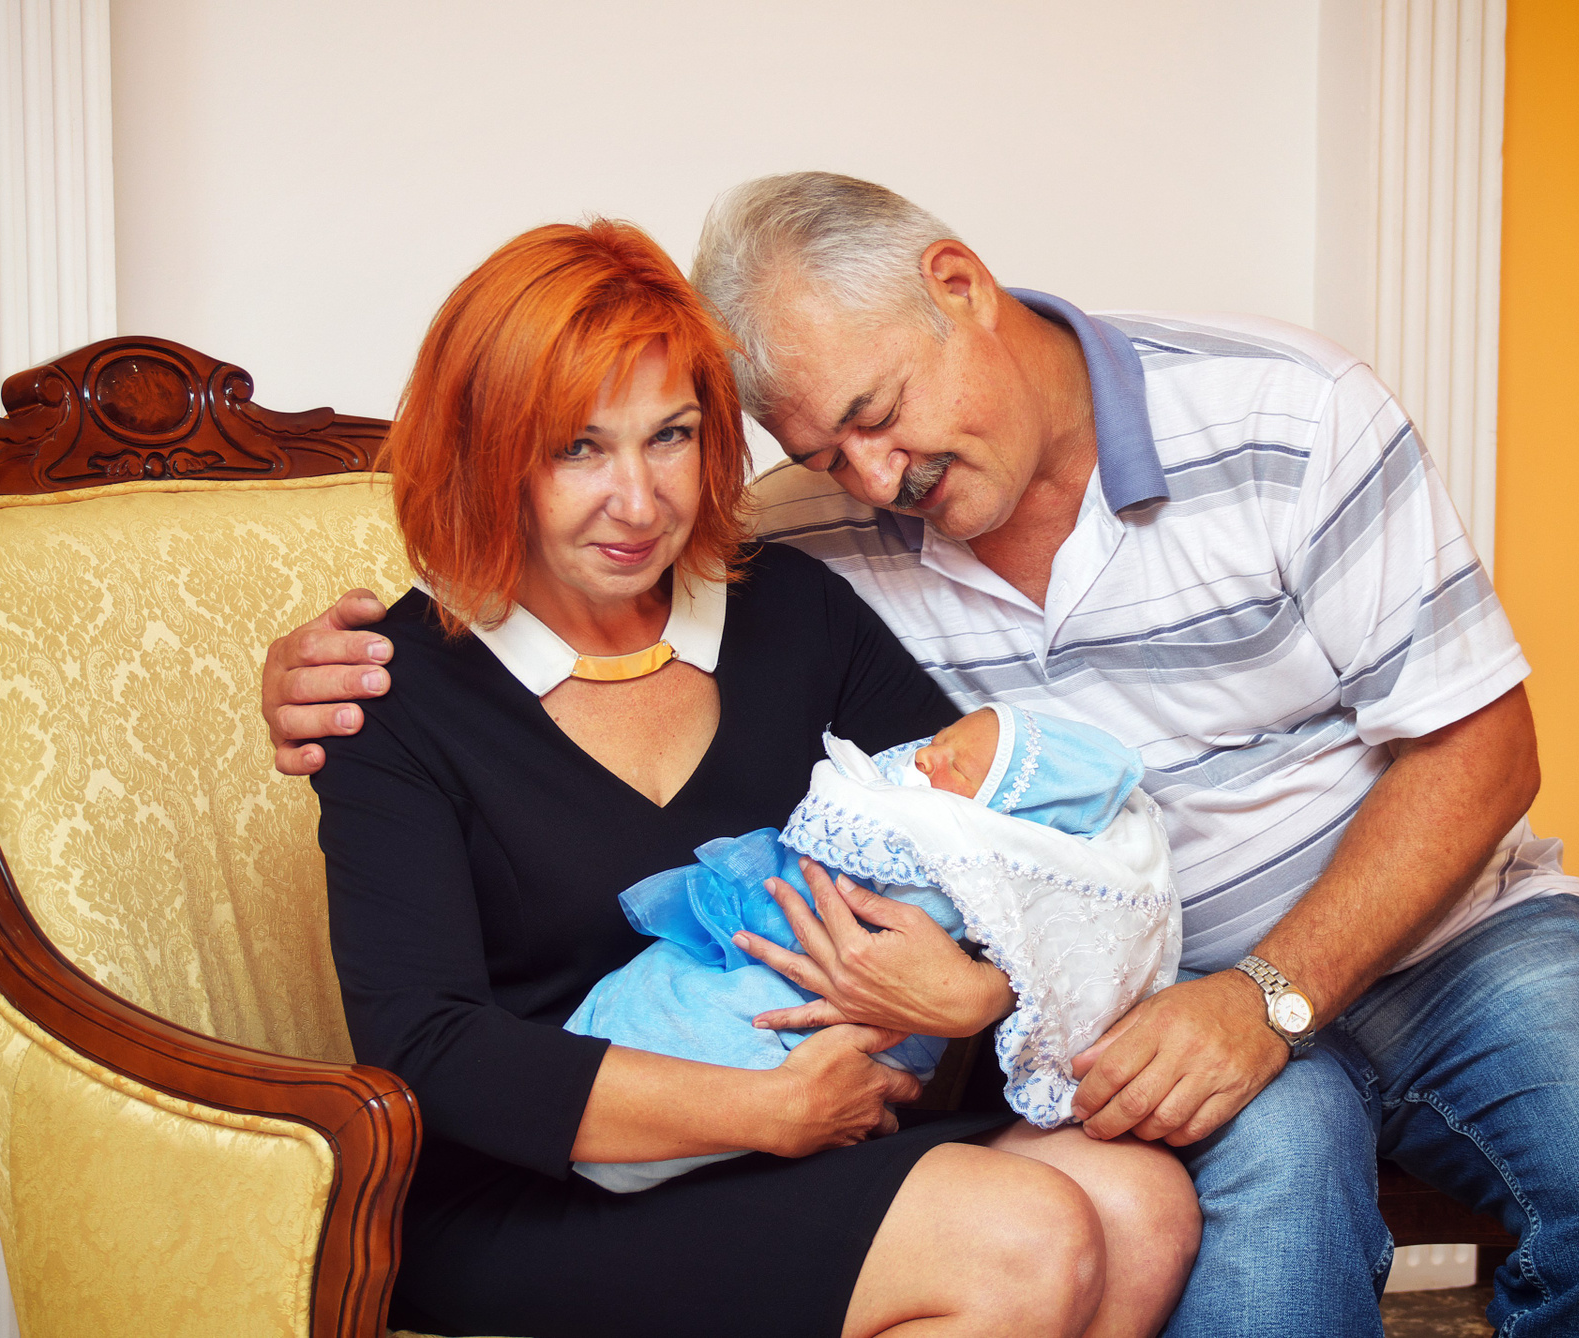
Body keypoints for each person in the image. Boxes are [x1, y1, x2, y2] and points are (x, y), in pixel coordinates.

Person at [267, 175, 1579, 1336]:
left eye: (672, 439)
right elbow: (433, 1011)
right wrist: (295, 678)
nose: (872, 478)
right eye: (819, 451)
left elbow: (1470, 751)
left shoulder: (1278, 421)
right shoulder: (786, 546)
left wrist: (1072, 994)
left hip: (1420, 942)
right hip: (1058, 1017)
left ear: (959, 289)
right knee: (1168, 1203)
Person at [308, 217, 1199, 1338]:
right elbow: (426, 1046)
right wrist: (766, 1110)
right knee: (1023, 1236)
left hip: (813, 1131)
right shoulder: (386, 693)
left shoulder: (792, 610)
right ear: (486, 454)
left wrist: (979, 994)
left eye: (670, 436)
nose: (639, 501)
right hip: (538, 1188)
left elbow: (980, 842)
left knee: (1142, 1205)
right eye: (578, 449)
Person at [567, 703, 1178, 1192]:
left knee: (731, 1025)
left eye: (961, 768)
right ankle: (609, 1086)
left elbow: (951, 943)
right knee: (660, 981)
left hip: (837, 1006)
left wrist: (978, 991)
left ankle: (644, 1126)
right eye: (942, 737)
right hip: (757, 951)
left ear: (1007, 815)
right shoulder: (892, 796)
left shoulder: (967, 870)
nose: (929, 754)